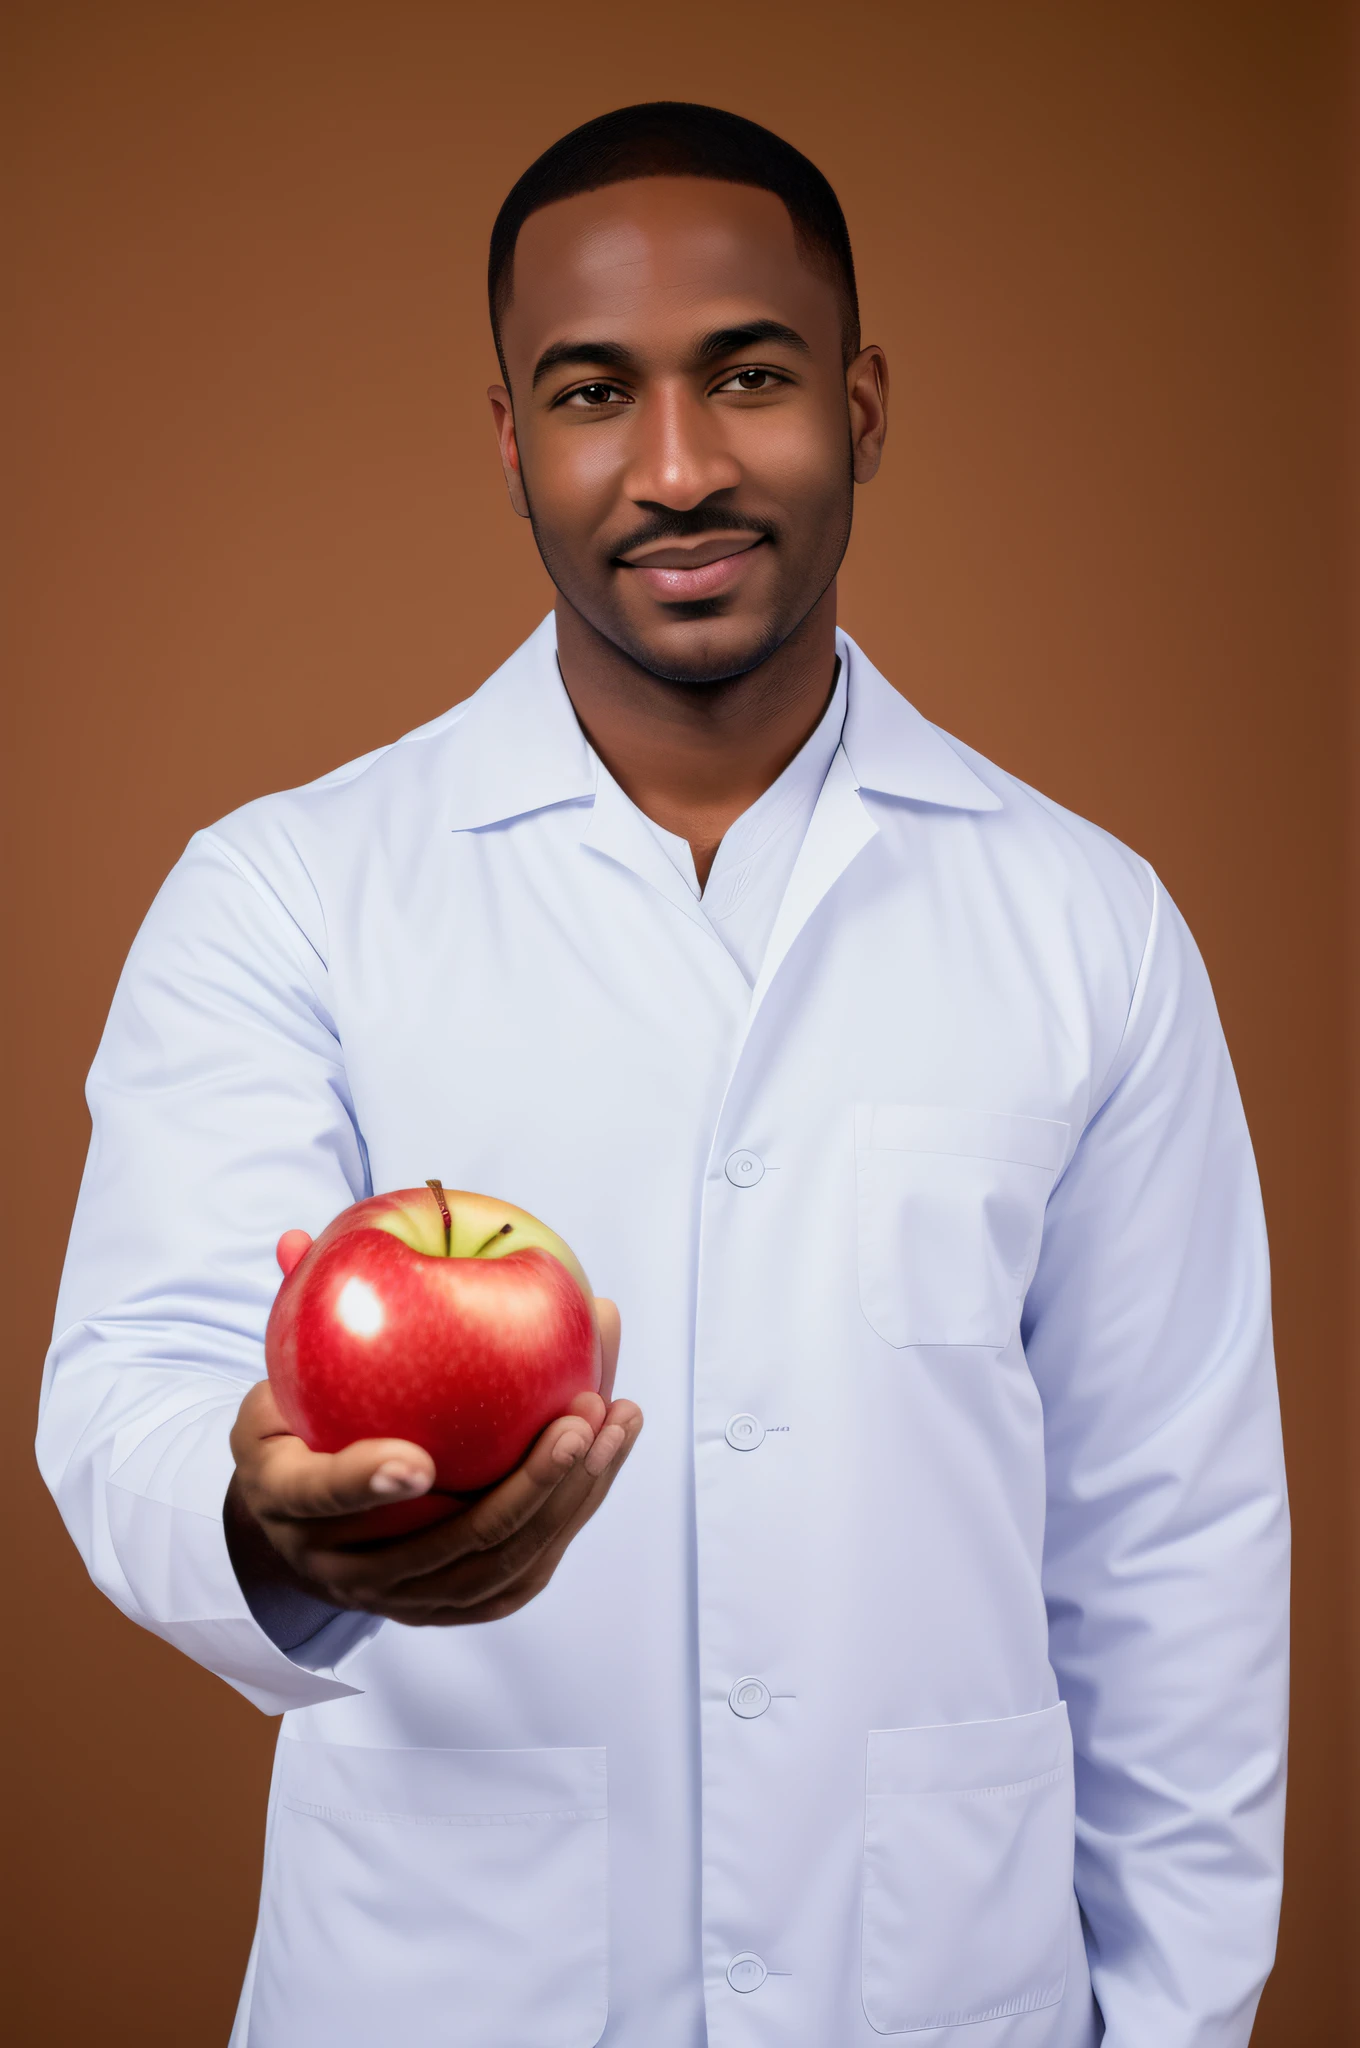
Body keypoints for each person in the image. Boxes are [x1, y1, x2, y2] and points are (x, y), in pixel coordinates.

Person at [38, 101, 1288, 2048]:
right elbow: (131, 1384)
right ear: (510, 435)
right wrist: (267, 1518)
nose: (679, 465)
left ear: (859, 404)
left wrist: (1175, 2022)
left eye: (751, 375)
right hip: (442, 1990)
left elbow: (1171, 1544)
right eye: (593, 390)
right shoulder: (288, 894)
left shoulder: (1083, 925)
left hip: (950, 1997)